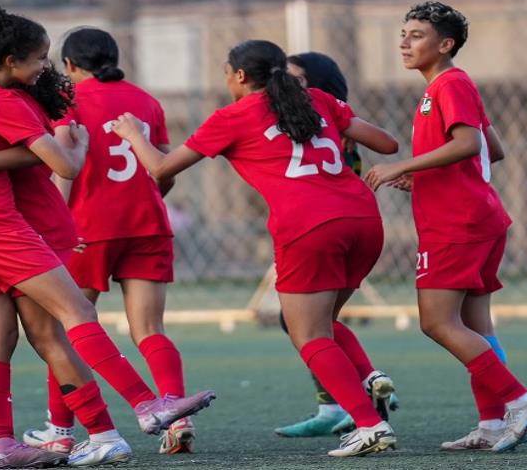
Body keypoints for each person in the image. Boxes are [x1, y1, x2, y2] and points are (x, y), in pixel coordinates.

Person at [0, 0, 214, 469]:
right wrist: (65, 151)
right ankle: (142, 407)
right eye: (39, 58)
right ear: (10, 60)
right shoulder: (8, 103)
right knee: (69, 318)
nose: (46, 66)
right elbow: (66, 164)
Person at [111, 39, 400, 457]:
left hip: (309, 225)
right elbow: (388, 144)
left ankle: (369, 425)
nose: (225, 79)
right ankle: (367, 391)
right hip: (364, 220)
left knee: (310, 335)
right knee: (326, 326)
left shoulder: (233, 116)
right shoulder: (315, 98)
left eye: (226, 72)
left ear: (240, 76)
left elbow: (159, 167)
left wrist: (134, 134)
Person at [364, 1, 527, 452]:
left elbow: (469, 144)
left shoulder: (449, 83)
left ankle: (520, 402)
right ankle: (491, 422)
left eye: (416, 35)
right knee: (475, 326)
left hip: (459, 224)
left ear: (445, 44)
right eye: (403, 33)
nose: (404, 42)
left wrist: (401, 166)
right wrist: (425, 176)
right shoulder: (449, 86)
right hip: (476, 217)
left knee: (437, 322)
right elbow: (493, 148)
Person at [21, 26, 196, 455]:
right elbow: (165, 168)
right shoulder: (146, 100)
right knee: (150, 329)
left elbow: (64, 164)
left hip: (87, 227)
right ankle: (178, 414)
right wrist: (152, 200)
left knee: (67, 327)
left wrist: (57, 225)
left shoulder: (67, 100)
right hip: (147, 223)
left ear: (69, 66)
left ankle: (60, 430)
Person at [273, 51, 398, 438]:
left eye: (294, 78)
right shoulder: (322, 125)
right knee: (310, 323)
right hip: (344, 229)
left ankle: (358, 391)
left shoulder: (329, 130)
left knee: (312, 326)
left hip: (328, 233)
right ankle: (339, 400)